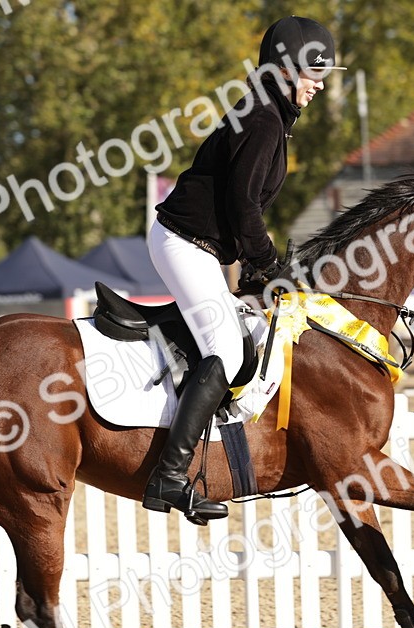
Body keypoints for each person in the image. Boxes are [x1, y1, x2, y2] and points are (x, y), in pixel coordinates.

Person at [143, 16, 342, 523]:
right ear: (283, 69)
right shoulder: (262, 119)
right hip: (183, 243)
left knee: (244, 337)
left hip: (202, 247)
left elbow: (243, 209)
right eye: (313, 73)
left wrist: (257, 268)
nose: (320, 84)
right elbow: (242, 205)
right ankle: (169, 475)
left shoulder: (269, 116)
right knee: (228, 351)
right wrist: (266, 262)